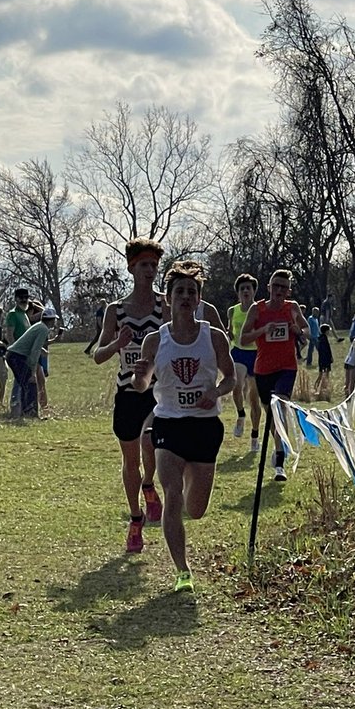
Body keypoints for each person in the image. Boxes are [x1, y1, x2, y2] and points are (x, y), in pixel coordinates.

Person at [130, 262, 235, 591]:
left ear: (199, 299)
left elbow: (231, 378)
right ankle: (182, 571)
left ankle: (194, 484)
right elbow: (142, 385)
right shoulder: (154, 341)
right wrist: (139, 374)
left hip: (205, 427)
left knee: (197, 509)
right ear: (169, 300)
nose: (186, 297)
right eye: (180, 292)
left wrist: (214, 392)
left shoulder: (213, 337)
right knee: (172, 495)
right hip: (169, 424)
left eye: (192, 292)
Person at [93, 238, 168, 554]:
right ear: (131, 268)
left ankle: (149, 486)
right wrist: (117, 344)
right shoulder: (117, 310)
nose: (150, 271)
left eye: (153, 265)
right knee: (130, 459)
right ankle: (136, 519)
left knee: (150, 445)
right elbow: (98, 354)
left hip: (157, 393)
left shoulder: (165, 305)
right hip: (127, 394)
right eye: (143, 265)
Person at [239, 268, 309, 481]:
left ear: (288, 291)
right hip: (263, 370)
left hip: (287, 367)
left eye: (283, 287)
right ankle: (279, 447)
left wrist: (298, 330)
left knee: (280, 407)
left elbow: (308, 333)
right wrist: (263, 330)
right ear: (268, 288)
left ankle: (280, 464)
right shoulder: (256, 309)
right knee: (271, 416)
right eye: (275, 286)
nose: (279, 290)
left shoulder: (293, 308)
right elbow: (243, 339)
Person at [5, 304, 60, 420]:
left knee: (25, 385)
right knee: (31, 384)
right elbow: (34, 351)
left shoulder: (40, 326)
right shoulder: (43, 329)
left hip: (14, 355)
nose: (55, 322)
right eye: (54, 320)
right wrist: (33, 372)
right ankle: (31, 414)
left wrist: (42, 349)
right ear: (51, 320)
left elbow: (33, 345)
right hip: (17, 357)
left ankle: (24, 413)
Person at [226, 273, 261, 451]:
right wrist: (229, 334)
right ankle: (240, 415)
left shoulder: (260, 310)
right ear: (238, 293)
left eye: (249, 288)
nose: (245, 291)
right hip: (238, 352)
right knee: (236, 386)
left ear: (254, 291)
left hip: (256, 354)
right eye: (242, 288)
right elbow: (230, 329)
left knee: (254, 400)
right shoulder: (233, 310)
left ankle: (255, 437)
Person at [314, 324, 333, 398]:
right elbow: (326, 351)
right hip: (325, 360)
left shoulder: (321, 338)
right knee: (325, 375)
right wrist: (329, 358)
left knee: (321, 375)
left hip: (322, 360)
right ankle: (322, 389)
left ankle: (318, 387)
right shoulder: (323, 339)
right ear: (326, 331)